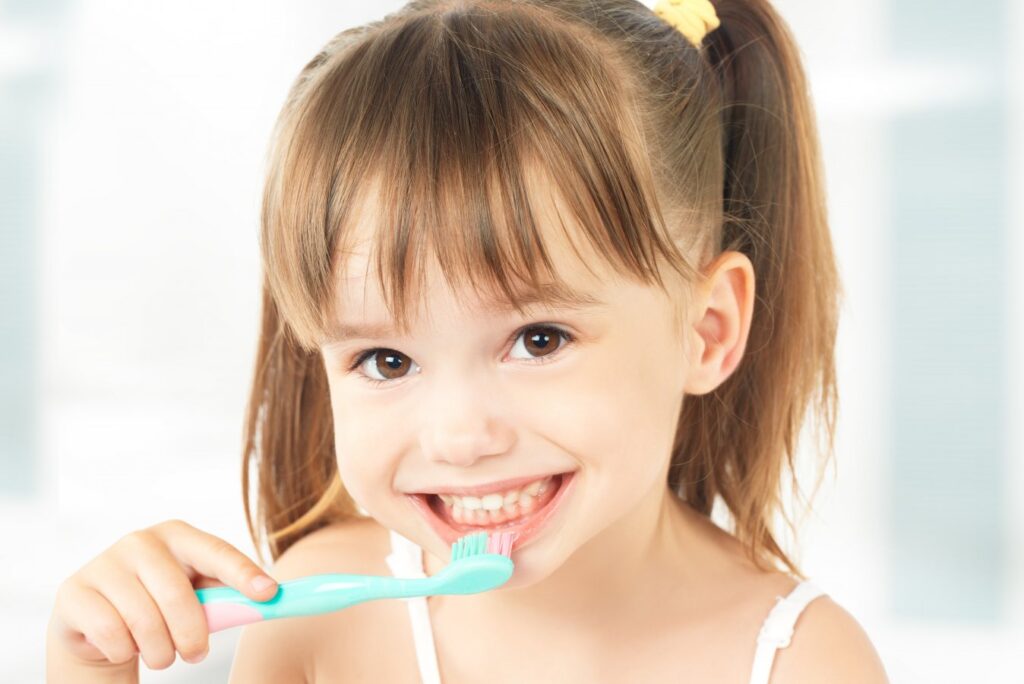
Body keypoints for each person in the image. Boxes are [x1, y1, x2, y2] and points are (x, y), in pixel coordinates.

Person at [46, 0, 890, 681]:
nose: (458, 436)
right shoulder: (322, 624)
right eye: (387, 360)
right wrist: (92, 669)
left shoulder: (803, 664)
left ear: (706, 331)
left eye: (539, 340)